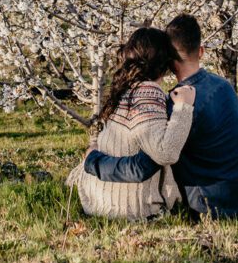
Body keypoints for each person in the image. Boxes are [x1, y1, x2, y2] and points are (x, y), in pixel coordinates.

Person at [83, 14, 238, 220]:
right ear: (201, 51)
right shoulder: (223, 85)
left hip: (215, 205)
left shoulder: (176, 104)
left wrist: (93, 161)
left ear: (169, 62)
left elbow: (142, 166)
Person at [65, 27, 197, 220]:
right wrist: (183, 108)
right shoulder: (148, 93)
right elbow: (166, 152)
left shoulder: (123, 89)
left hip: (96, 201)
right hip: (134, 209)